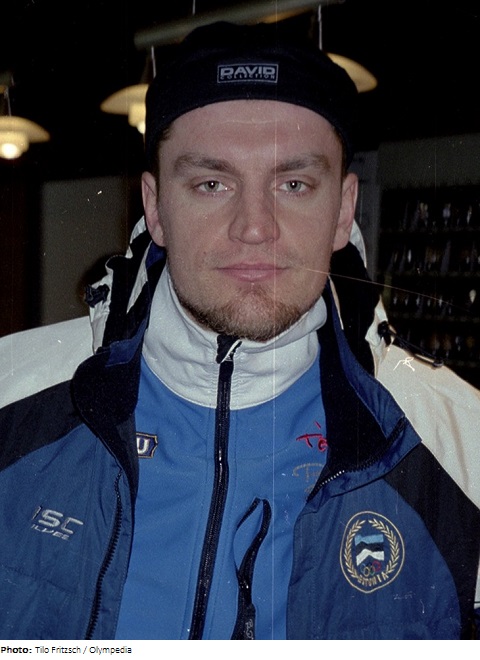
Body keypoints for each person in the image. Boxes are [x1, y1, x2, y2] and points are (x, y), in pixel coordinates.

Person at [0, 20, 479, 641]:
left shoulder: (461, 444)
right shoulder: (11, 397)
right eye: (212, 183)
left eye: (293, 184)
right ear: (155, 207)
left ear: (343, 210)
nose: (254, 227)